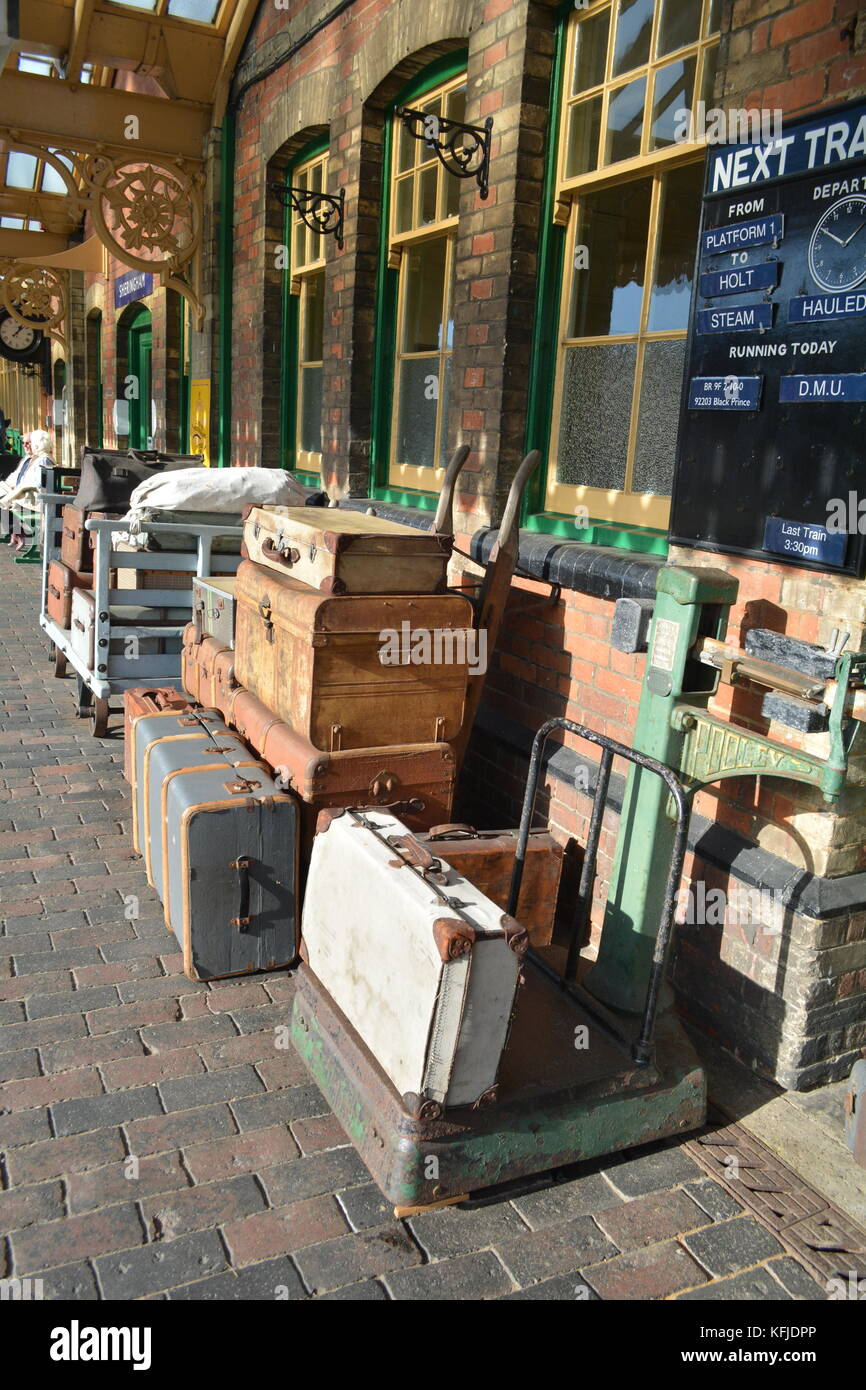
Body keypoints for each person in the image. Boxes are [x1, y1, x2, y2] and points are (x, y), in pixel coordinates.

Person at [0, 430, 54, 551]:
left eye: (28, 443)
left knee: (5, 502)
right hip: (23, 493)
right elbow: (16, 475)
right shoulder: (29, 458)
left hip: (33, 498)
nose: (25, 446)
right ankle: (15, 531)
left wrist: (18, 487)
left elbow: (38, 483)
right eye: (24, 443)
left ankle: (17, 532)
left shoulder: (43, 460)